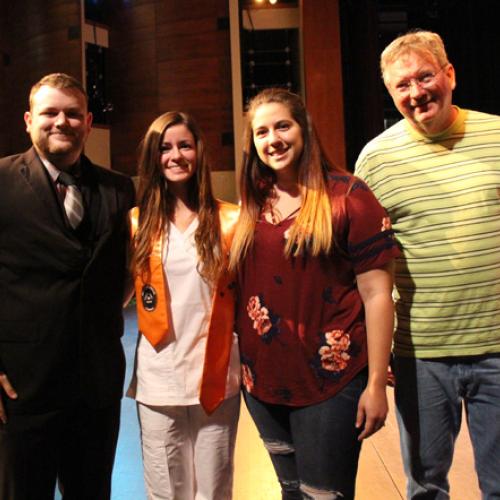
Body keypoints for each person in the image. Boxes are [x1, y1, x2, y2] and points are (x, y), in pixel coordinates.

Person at [230, 88, 399, 500]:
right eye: (262, 132)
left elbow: (378, 294)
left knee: (325, 495)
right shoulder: (254, 199)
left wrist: (376, 382)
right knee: (291, 491)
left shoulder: (349, 196)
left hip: (331, 383)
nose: (273, 140)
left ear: (304, 128)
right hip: (263, 381)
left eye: (282, 126)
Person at [355, 30, 500, 499]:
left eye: (424, 77)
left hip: (498, 349)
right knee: (426, 488)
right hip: (420, 356)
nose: (416, 93)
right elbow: (362, 271)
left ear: (449, 74)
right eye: (402, 85)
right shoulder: (375, 161)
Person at [0, 73, 135, 499]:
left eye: (73, 113)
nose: (62, 121)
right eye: (50, 112)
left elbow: (125, 274)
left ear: (89, 122)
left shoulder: (119, 188)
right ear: (28, 120)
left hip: (96, 388)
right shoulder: (0, 181)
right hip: (23, 387)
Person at [127, 111, 241, 500]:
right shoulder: (137, 223)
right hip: (159, 378)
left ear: (199, 152)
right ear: (153, 158)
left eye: (184, 145)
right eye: (165, 148)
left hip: (216, 376)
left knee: (214, 489)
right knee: (165, 490)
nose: (175, 155)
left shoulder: (231, 220)